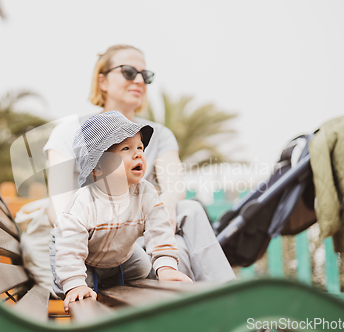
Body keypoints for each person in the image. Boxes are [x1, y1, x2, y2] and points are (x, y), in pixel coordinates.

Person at [20, 44, 235, 296]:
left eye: (146, 75)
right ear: (102, 81)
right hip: (86, 239)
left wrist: (157, 209)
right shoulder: (72, 132)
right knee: (179, 249)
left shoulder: (161, 135)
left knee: (188, 211)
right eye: (129, 72)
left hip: (134, 233)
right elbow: (59, 208)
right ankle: (216, 309)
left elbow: (174, 188)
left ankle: (228, 299)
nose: (139, 81)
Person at [52, 111, 192, 311]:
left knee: (143, 268)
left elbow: (160, 232)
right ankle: (78, 286)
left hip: (119, 254)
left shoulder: (146, 193)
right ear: (98, 167)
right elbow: (70, 248)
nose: (138, 154)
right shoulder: (84, 202)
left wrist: (167, 268)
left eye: (140, 147)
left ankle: (124, 293)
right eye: (126, 148)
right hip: (81, 256)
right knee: (80, 290)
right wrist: (75, 283)